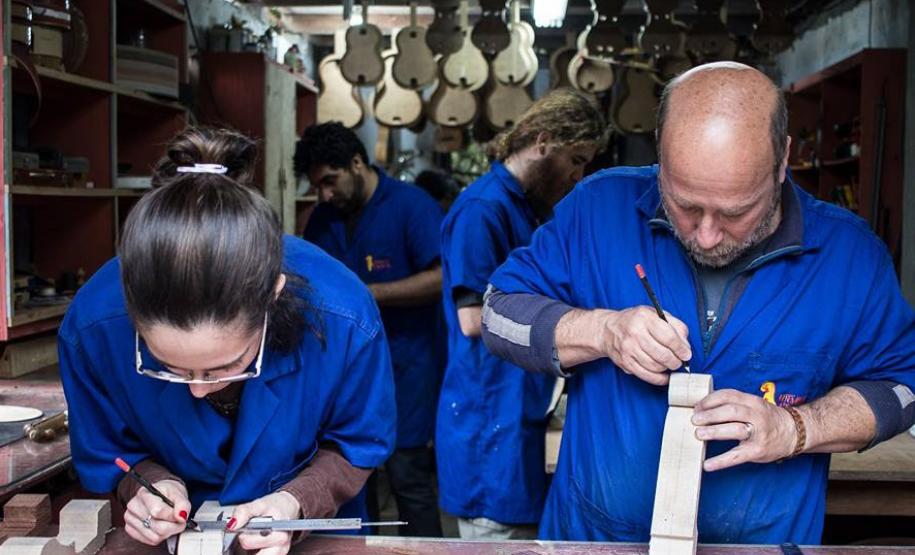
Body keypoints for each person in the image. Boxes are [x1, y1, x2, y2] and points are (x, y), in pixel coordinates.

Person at [481, 62, 915, 544]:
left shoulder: (848, 256)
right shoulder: (597, 209)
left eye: (736, 212)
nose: (706, 237)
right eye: (684, 206)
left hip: (762, 549)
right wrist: (601, 331)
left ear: (782, 160)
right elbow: (498, 313)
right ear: (660, 153)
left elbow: (902, 386)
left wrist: (798, 426)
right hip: (592, 542)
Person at [58, 127, 396, 555]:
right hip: (171, 539)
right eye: (170, 368)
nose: (199, 389)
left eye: (225, 366)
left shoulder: (345, 319)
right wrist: (146, 482)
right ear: (132, 313)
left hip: (306, 526)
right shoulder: (92, 329)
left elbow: (359, 443)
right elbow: (109, 450)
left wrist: (298, 499)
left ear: (272, 297)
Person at [437, 88, 607, 539]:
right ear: (544, 141)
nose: (577, 174)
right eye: (576, 159)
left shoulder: (524, 208)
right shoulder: (483, 209)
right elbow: (473, 320)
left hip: (513, 414)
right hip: (488, 418)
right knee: (496, 535)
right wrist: (575, 325)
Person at [294, 123, 444, 537]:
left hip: (406, 366)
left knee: (408, 475)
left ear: (357, 163)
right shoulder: (324, 218)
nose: (324, 194)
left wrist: (369, 295)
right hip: (344, 370)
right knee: (353, 473)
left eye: (330, 181)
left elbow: (441, 279)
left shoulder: (412, 206)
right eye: (317, 186)